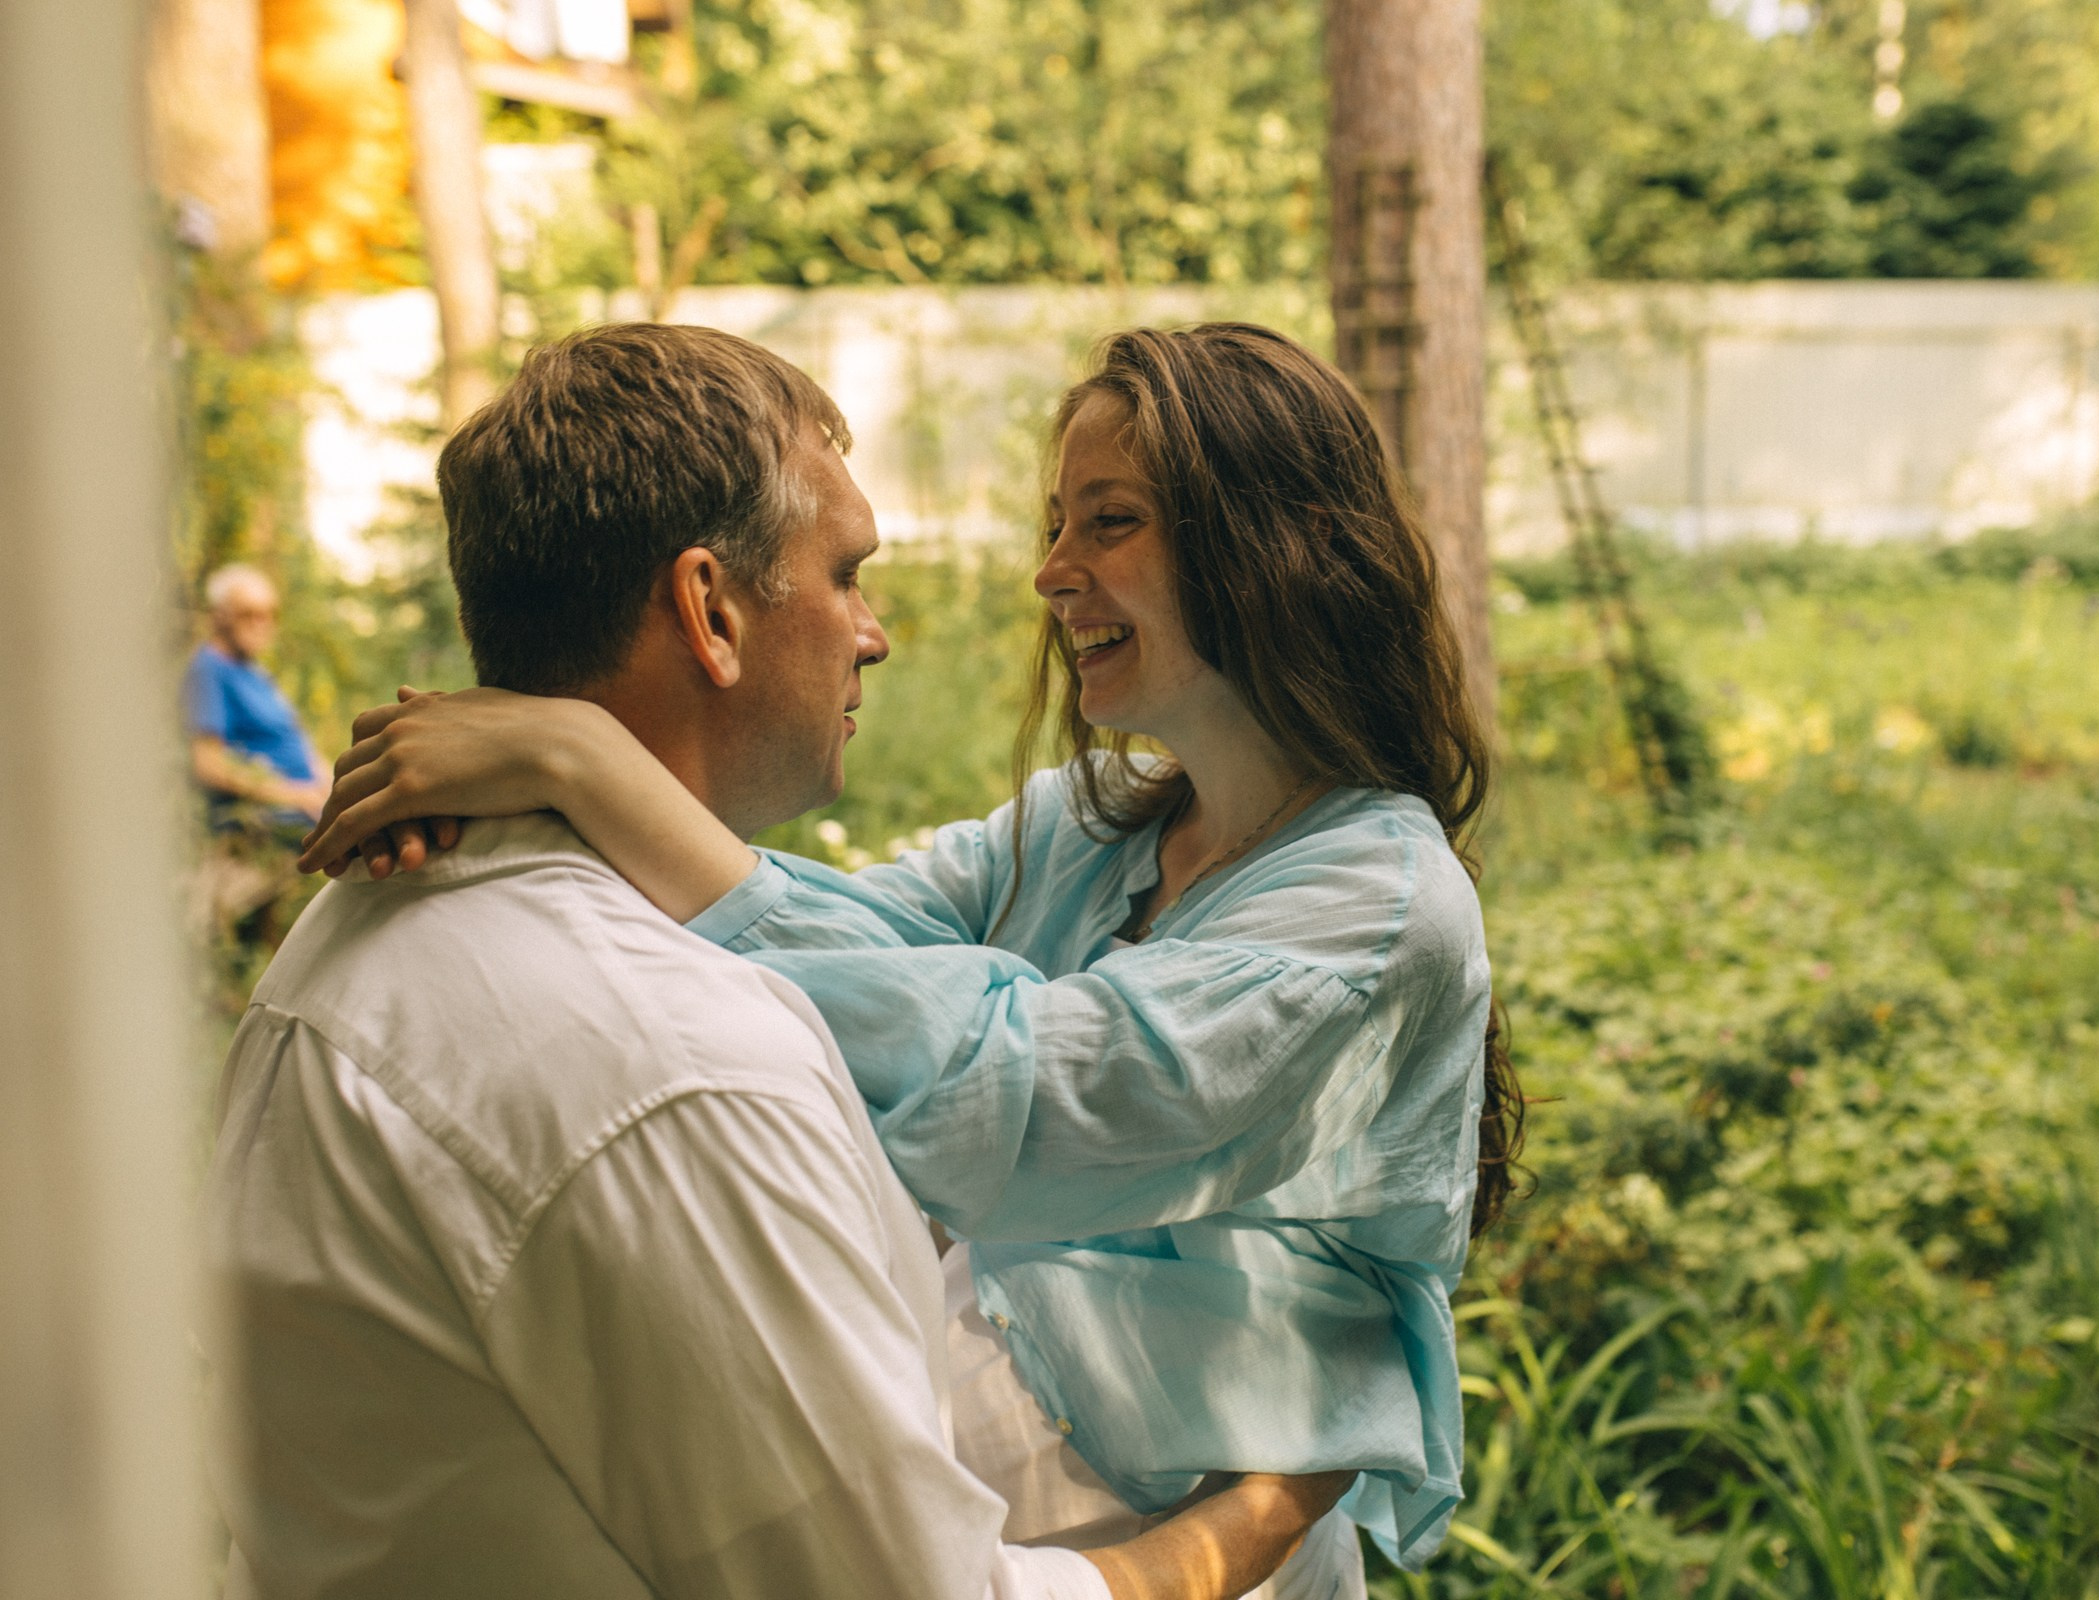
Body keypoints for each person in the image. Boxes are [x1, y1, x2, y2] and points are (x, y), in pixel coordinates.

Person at [302, 323, 1524, 1596]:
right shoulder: (1084, 828)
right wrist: (535, 793)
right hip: (1004, 1485)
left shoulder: (1379, 902)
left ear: (1266, 546)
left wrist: (581, 764)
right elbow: (830, 944)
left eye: (1108, 522)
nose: (1052, 571)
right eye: (1057, 522)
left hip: (1193, 1529)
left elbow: (1039, 1103)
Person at [185, 563, 332, 829]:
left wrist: (333, 786)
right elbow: (208, 765)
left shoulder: (255, 672)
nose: (261, 624)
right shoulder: (208, 670)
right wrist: (296, 796)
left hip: (311, 803)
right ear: (220, 616)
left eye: (268, 614)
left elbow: (295, 741)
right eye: (248, 614)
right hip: (275, 815)